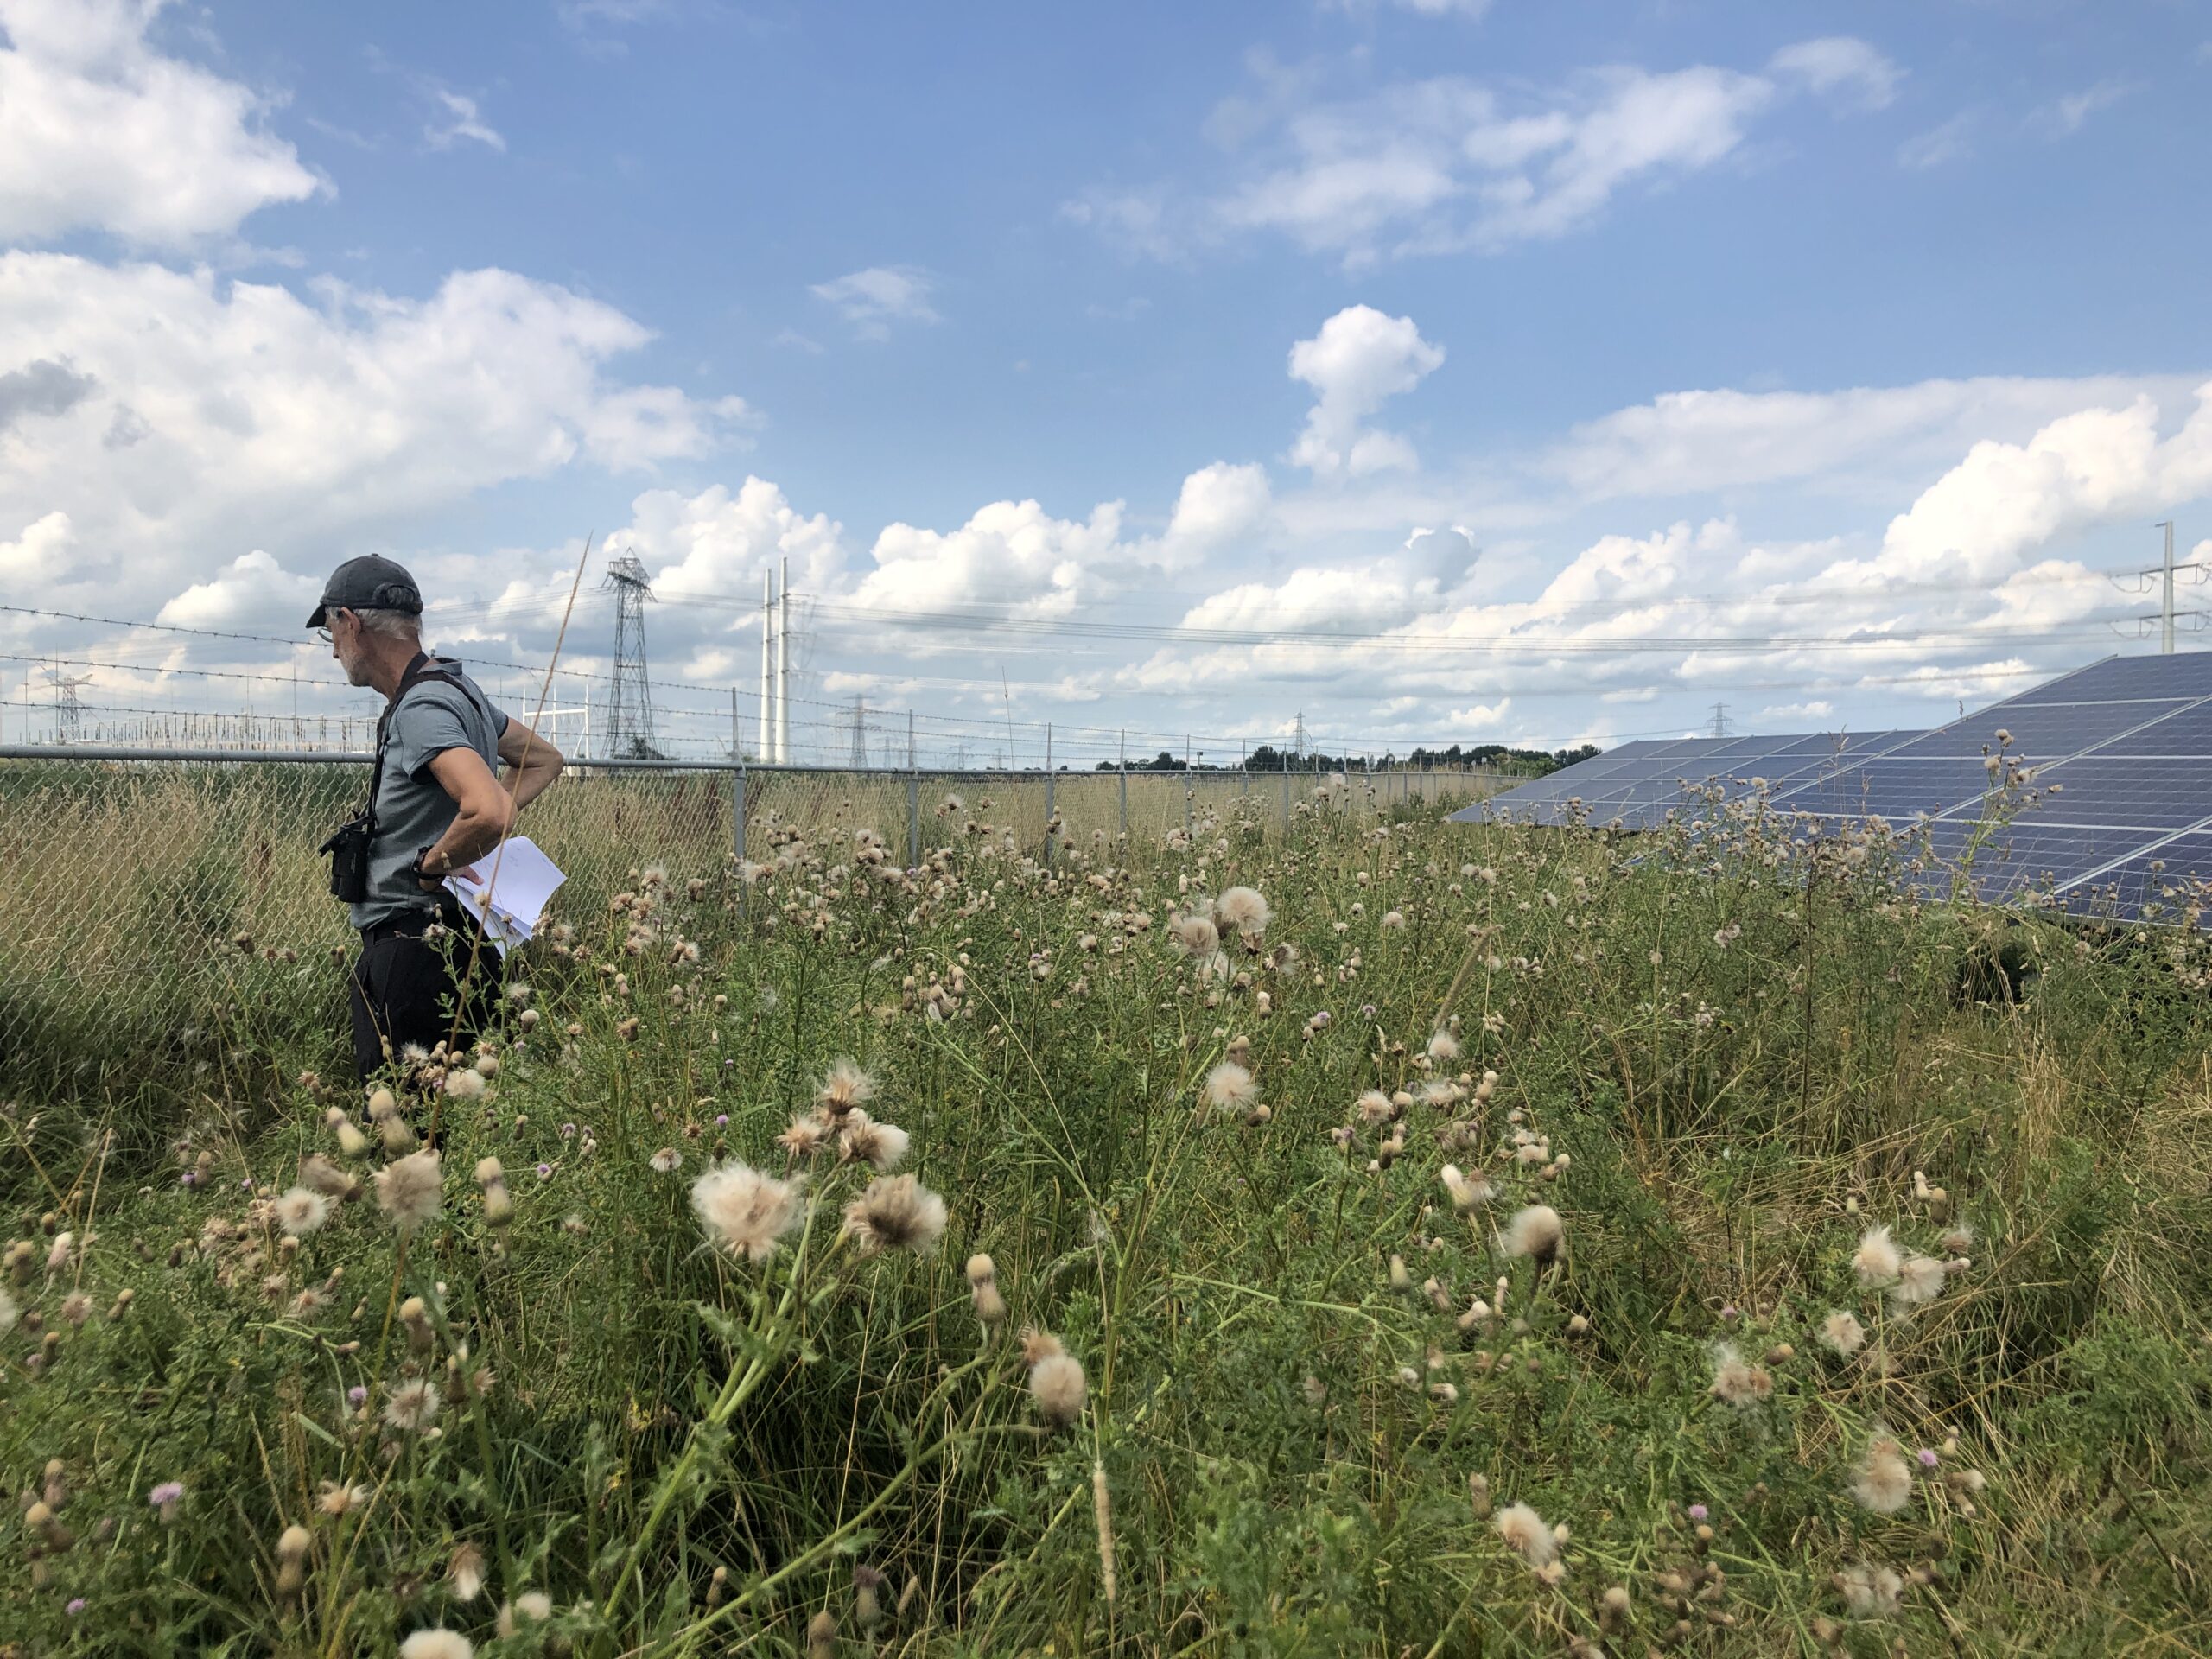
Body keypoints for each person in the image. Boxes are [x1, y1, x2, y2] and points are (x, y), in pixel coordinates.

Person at [308, 556, 565, 1081]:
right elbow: (543, 759)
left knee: (405, 1122)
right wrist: (484, 821)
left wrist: (433, 864)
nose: (333, 649)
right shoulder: (457, 689)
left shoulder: (421, 708)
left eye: (330, 632)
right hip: (468, 936)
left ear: (350, 622)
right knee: (459, 1115)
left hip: (413, 948)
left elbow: (487, 808)